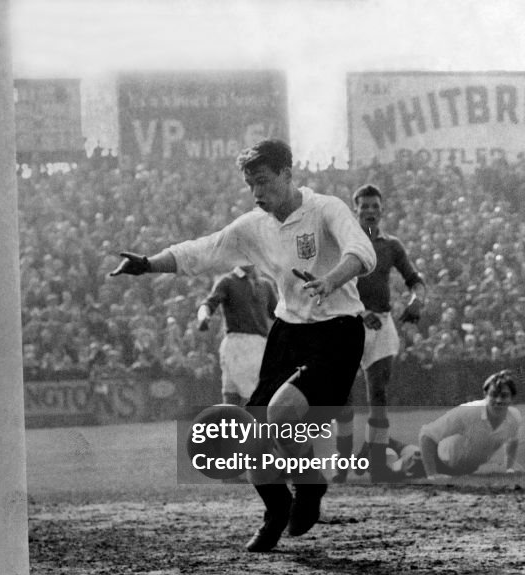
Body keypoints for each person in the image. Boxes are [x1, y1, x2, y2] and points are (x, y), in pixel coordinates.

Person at [110, 139, 376, 552]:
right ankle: (277, 509)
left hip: (338, 330)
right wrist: (148, 263)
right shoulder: (254, 225)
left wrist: (331, 280)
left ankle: (311, 483)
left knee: (281, 413)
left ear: (288, 173)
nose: (257, 191)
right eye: (250, 183)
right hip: (290, 330)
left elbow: (363, 251)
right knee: (251, 437)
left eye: (264, 181)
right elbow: (204, 250)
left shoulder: (327, 208)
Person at [334, 184, 426, 483]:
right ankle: (343, 464)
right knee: (343, 399)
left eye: (375, 206)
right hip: (348, 322)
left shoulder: (391, 245)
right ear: (355, 209)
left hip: (382, 323)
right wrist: (361, 312)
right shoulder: (343, 243)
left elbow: (414, 279)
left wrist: (417, 299)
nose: (371, 211)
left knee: (379, 394)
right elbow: (334, 286)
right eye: (365, 206)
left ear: (381, 210)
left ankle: (377, 465)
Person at [390, 370, 521, 480]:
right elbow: (426, 435)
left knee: (403, 450)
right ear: (485, 395)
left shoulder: (514, 417)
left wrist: (509, 468)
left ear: (512, 398)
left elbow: (513, 441)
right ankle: (376, 445)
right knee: (390, 467)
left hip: (460, 471)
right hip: (429, 462)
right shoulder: (468, 412)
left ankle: (393, 443)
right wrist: (432, 475)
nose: (498, 401)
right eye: (494, 395)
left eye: (504, 396)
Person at [196, 264, 277, 406]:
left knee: (238, 395)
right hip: (238, 343)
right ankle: (244, 427)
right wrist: (203, 317)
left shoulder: (265, 285)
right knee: (236, 395)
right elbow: (208, 304)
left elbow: (278, 315)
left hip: (259, 345)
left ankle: (244, 427)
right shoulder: (228, 281)